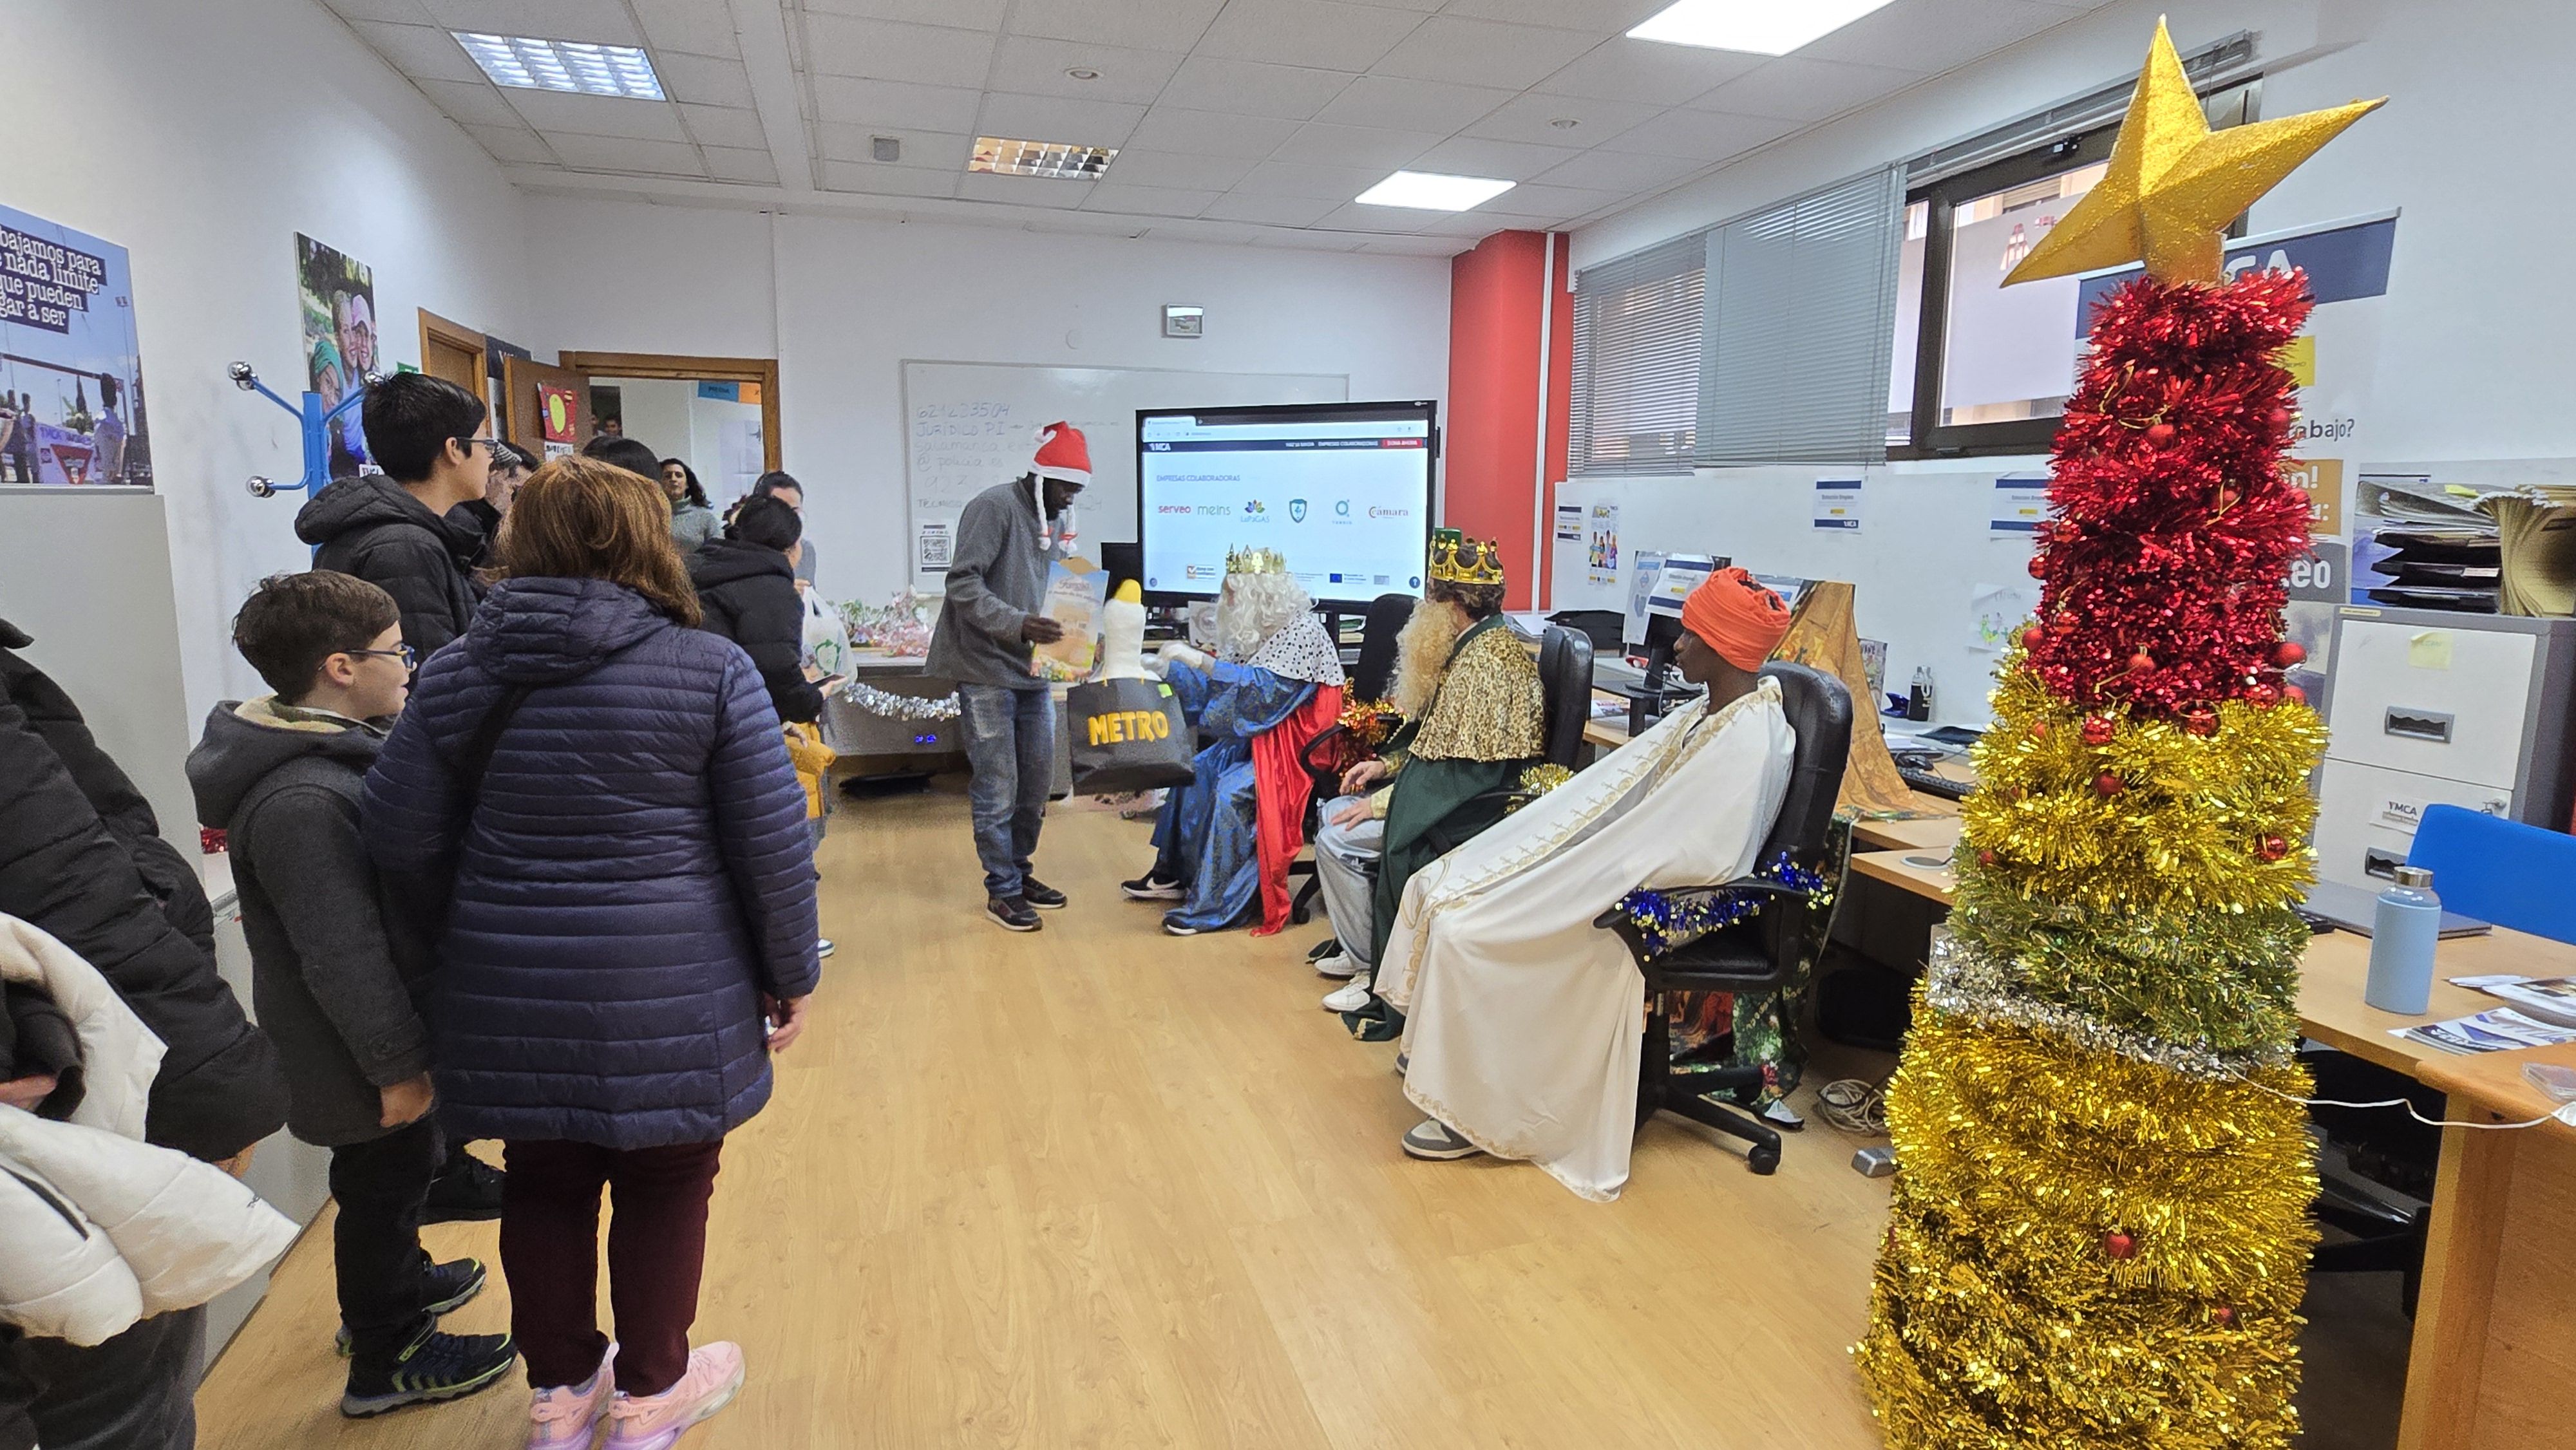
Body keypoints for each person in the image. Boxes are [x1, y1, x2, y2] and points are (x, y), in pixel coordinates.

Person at [361, 456, 820, 1450]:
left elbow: (397, 839)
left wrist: (476, 928)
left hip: (506, 983)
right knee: (667, 1179)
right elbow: (772, 845)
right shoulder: (709, 669)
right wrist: (793, 973)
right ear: (652, 542)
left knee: (544, 1177)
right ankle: (653, 1394)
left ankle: (562, 1395)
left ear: (520, 543)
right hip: (674, 988)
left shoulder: (452, 675)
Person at [185, 572, 518, 1417]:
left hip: (370, 1040)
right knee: (382, 1186)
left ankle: (399, 1284)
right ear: (338, 667)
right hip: (355, 1052)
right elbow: (343, 957)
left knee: (400, 1177)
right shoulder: (301, 799)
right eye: (394, 652)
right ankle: (387, 1351)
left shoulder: (330, 760)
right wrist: (397, 1065)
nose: (407, 666)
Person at [1380, 569, 1797, 1197]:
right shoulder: (1713, 709)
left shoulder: (1747, 738)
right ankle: (1455, 1064)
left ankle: (1484, 1109)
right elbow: (1623, 794)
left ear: (1721, 647)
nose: (1675, 648)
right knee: (1446, 887)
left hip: (1662, 902)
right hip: (1631, 870)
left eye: (1688, 636)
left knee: (1474, 932)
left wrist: (1578, 875)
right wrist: (1554, 849)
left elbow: (1698, 852)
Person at [0, 616, 290, 1450]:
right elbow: (68, 883)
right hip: (70, 1126)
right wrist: (217, 1093)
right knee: (114, 1408)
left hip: (72, 1088)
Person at [1311, 534, 1546, 1022]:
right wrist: (1386, 765)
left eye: (1433, 598)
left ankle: (1373, 970)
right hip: (1450, 795)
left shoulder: (1485, 669)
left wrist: (1379, 805)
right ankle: (1362, 952)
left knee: (1336, 834)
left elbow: (1455, 780)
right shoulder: (1473, 648)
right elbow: (1436, 745)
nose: (1424, 608)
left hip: (1468, 816)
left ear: (1456, 606)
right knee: (1334, 814)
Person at [1119, 551, 1344, 937]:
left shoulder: (1303, 632)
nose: (1228, 604)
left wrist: (1202, 663)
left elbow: (1263, 695)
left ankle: (1217, 903)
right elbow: (1223, 690)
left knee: (1230, 793)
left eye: (1234, 595)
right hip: (1259, 737)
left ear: (1260, 595)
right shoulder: (1256, 631)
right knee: (1194, 771)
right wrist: (1170, 671)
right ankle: (1174, 874)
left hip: (1292, 749)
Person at [924, 423, 1086, 932]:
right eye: (1063, 489)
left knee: (1036, 783)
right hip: (985, 669)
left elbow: (1060, 578)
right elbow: (962, 584)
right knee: (998, 784)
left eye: (1076, 491)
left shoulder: (1059, 518)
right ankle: (1002, 890)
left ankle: (1019, 870)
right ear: (1041, 478)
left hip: (1034, 670)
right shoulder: (993, 507)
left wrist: (1084, 617)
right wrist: (1017, 624)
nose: (1068, 500)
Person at [296, 372, 497, 670]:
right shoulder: (404, 548)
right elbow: (426, 683)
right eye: (485, 444)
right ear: (454, 449)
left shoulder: (409, 531)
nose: (491, 457)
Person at [688, 495, 828, 728]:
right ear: (790, 548)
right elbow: (776, 674)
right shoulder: (773, 591)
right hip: (722, 718)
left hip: (678, 705)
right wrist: (815, 698)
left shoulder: (702, 564)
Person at [454, 440, 533, 570]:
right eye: (509, 477)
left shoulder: (483, 521)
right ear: (491, 473)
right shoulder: (463, 522)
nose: (511, 492)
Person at [661, 459, 719, 553]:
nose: (673, 479)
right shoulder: (649, 517)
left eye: (679, 475)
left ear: (687, 483)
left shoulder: (705, 517)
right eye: (668, 476)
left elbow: (718, 553)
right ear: (659, 482)